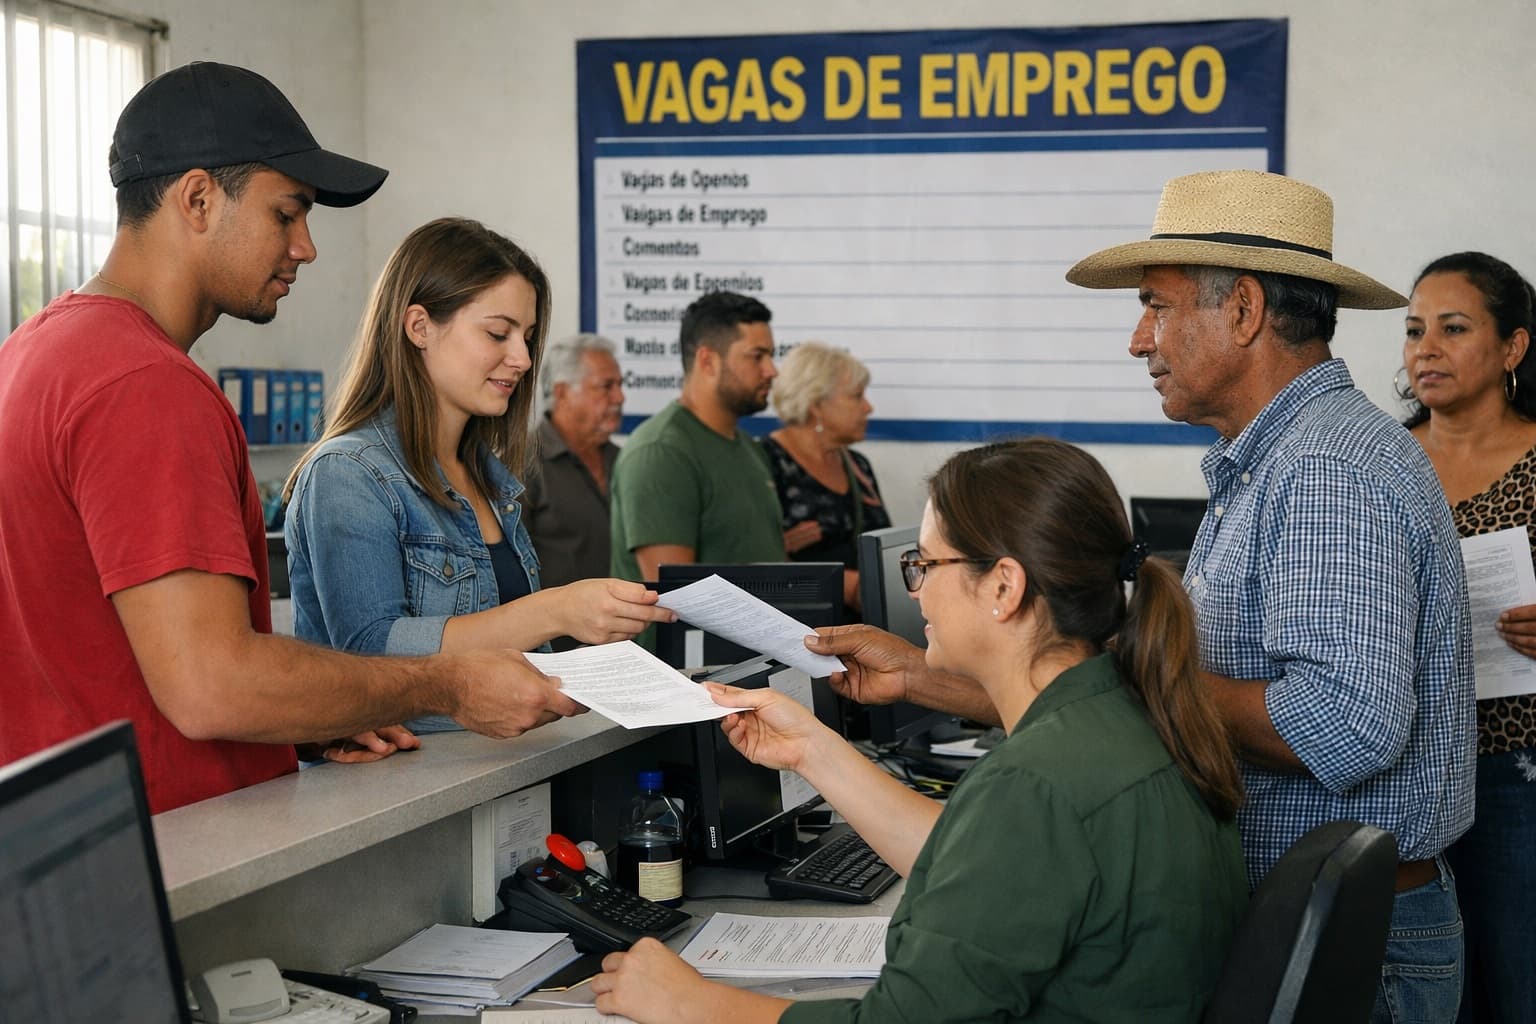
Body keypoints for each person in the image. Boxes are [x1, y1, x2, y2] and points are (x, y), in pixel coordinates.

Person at [808, 170, 1475, 1021]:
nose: (1138, 340)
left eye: (1157, 307)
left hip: (1347, 951)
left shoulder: (1322, 470)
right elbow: (1127, 703)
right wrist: (921, 680)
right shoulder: (1283, 459)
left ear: (1243, 310)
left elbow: (1342, 726)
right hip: (1317, 929)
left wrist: (1140, 674)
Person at [0, 62, 582, 815]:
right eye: (286, 214)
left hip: (70, 829)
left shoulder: (33, 352)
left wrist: (314, 715)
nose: (306, 247)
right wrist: (447, 684)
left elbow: (110, 653)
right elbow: (213, 685)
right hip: (175, 838)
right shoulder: (146, 386)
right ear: (198, 199)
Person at [591, 438, 1248, 1024]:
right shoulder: (1125, 718)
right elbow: (980, 863)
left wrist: (693, 1005)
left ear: (1004, 587)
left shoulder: (1037, 783)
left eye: (925, 565)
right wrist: (812, 750)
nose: (915, 591)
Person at [284, 221, 672, 730]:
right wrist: (555, 610)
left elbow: (508, 663)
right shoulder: (348, 472)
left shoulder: (490, 478)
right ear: (419, 327)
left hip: (515, 767)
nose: (523, 359)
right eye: (497, 334)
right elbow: (370, 649)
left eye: (527, 337)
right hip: (415, 776)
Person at [1397, 251, 1536, 1023]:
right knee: (1426, 987)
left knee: (1517, 982)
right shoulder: (1385, 461)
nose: (1426, 349)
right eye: (1414, 330)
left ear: (1513, 347)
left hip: (1516, 765)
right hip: (1405, 763)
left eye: (1453, 329)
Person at [609, 291, 785, 599]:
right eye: (757, 356)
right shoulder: (661, 453)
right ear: (708, 361)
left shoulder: (747, 446)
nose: (772, 370)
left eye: (771, 355)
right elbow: (678, 598)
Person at [762, 342, 891, 613]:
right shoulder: (764, 462)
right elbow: (753, 562)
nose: (868, 408)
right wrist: (845, 585)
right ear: (817, 404)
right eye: (857, 396)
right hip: (800, 626)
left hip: (866, 624)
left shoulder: (858, 465)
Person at [518, 334, 625, 594]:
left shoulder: (625, 460)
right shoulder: (521, 461)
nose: (620, 397)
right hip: (552, 620)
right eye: (606, 386)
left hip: (628, 618)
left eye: (620, 385)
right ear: (562, 392)